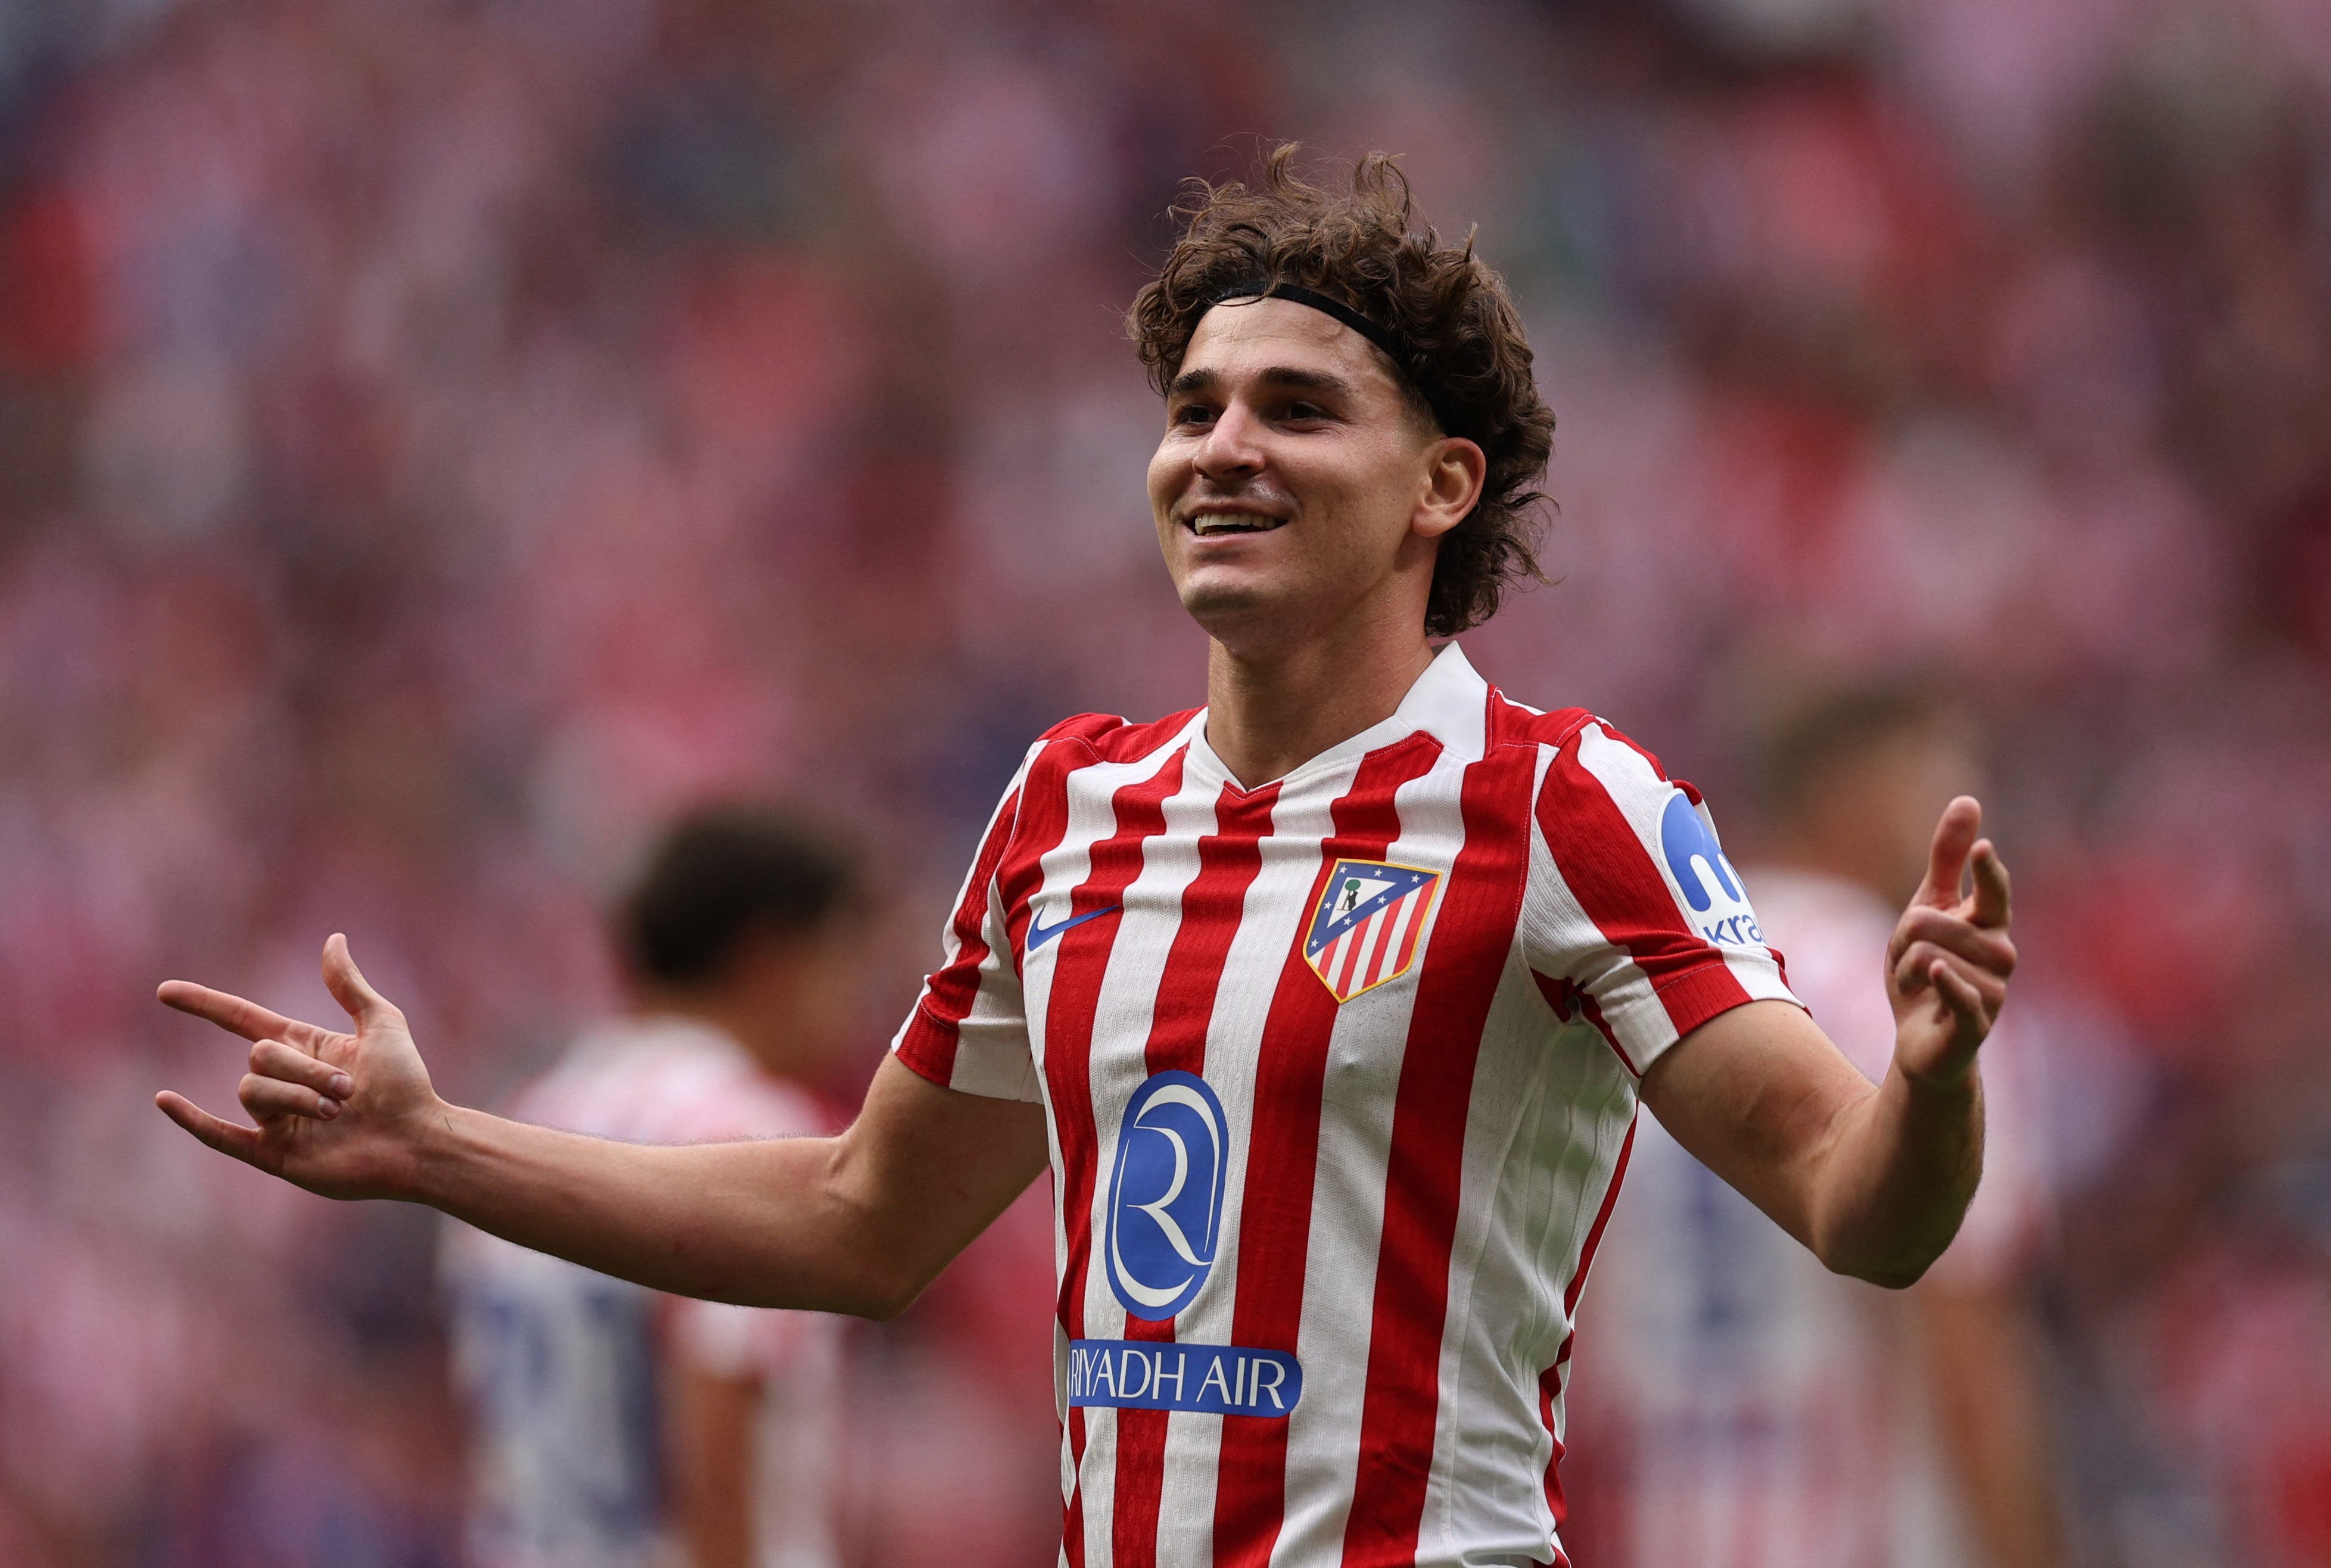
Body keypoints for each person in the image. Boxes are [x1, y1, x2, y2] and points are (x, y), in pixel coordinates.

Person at [152, 149, 2018, 1568]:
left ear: (1441, 486)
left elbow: (1861, 1210)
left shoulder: (1558, 802)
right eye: (1192, 406)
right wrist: (430, 1142)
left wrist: (1926, 1087)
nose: (1218, 448)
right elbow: (856, 1220)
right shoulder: (1068, 808)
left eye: (1294, 408)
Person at [1566, 688, 2062, 1568]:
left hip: (1651, 1522)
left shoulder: (1647, 973)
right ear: (1847, 789)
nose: (1964, 802)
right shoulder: (1910, 988)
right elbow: (1966, 1346)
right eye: (1934, 777)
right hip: (1851, 1531)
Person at [439, 808, 861, 1568]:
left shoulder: (526, 1118)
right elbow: (715, 1447)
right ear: (772, 956)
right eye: (838, 961)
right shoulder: (749, 1131)